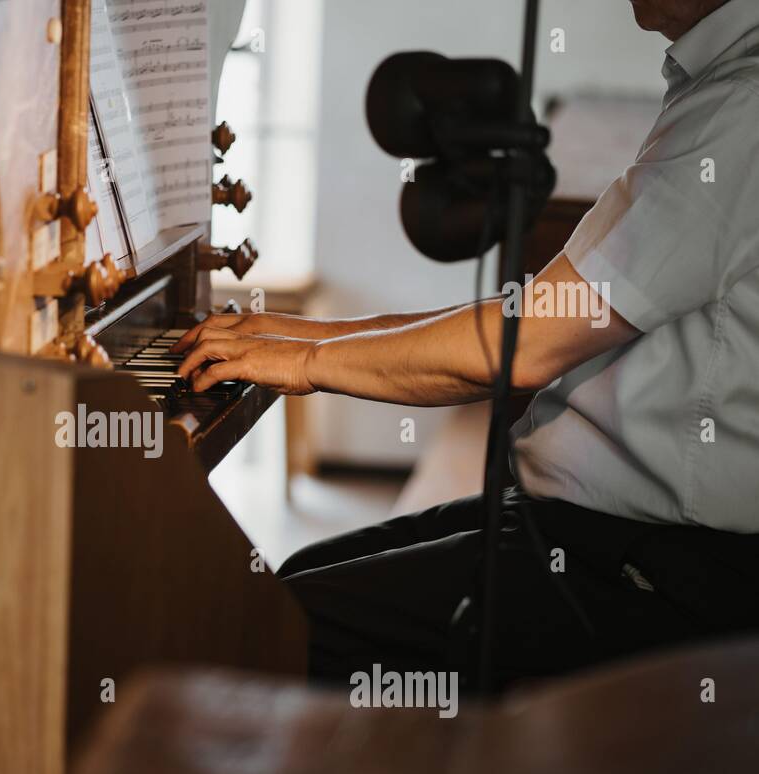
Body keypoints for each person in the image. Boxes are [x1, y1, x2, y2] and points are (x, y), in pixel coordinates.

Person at [173, 0, 759, 690]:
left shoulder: (741, 104)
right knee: (283, 589)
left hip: (657, 570)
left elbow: (529, 343)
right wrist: (312, 335)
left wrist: (308, 363)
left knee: (266, 630)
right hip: (590, 528)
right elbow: (537, 312)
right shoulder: (721, 87)